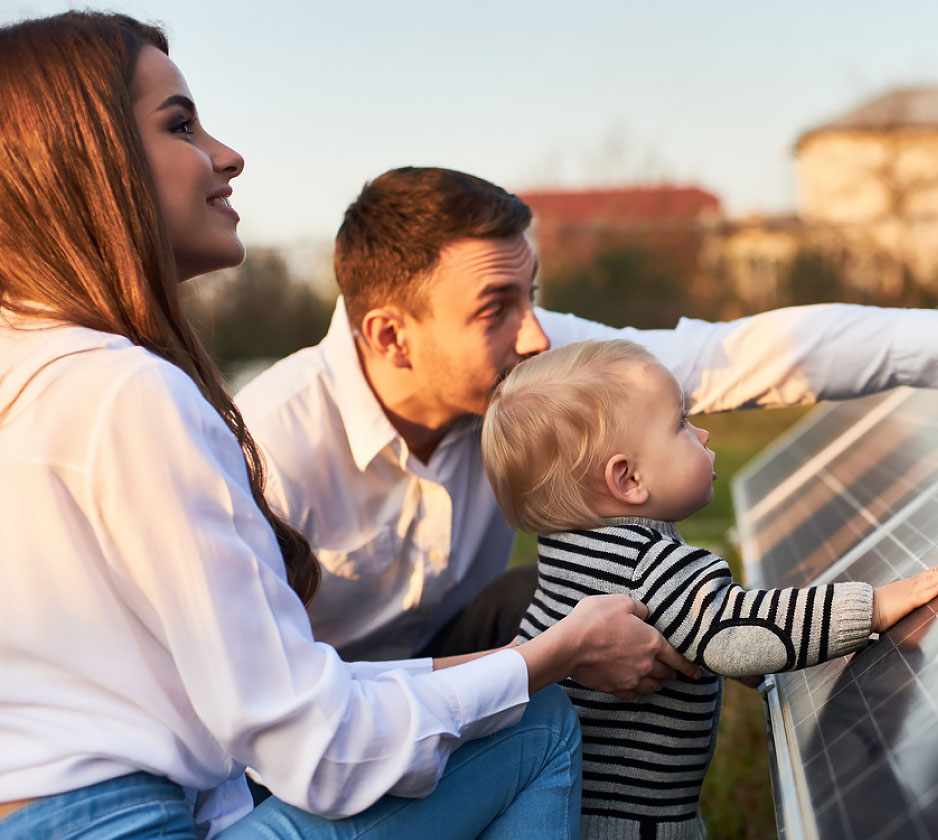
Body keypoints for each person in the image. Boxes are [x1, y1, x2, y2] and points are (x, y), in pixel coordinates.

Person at [0, 13, 701, 840]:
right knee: (534, 721)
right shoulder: (129, 393)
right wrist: (550, 658)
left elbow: (280, 708)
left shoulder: (32, 373)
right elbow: (315, 748)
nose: (228, 153)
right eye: (180, 125)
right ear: (86, 163)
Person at [236, 166, 938, 666]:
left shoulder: (531, 367)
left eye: (531, 294)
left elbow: (739, 356)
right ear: (392, 336)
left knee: (585, 594)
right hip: (320, 729)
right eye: (495, 308)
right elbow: (269, 705)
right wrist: (548, 659)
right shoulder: (268, 450)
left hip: (468, 655)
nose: (537, 335)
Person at [480, 337, 938, 840]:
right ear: (628, 479)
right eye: (682, 424)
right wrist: (874, 606)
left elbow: (693, 635)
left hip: (549, 827)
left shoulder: (569, 555)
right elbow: (734, 630)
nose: (702, 435)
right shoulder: (654, 562)